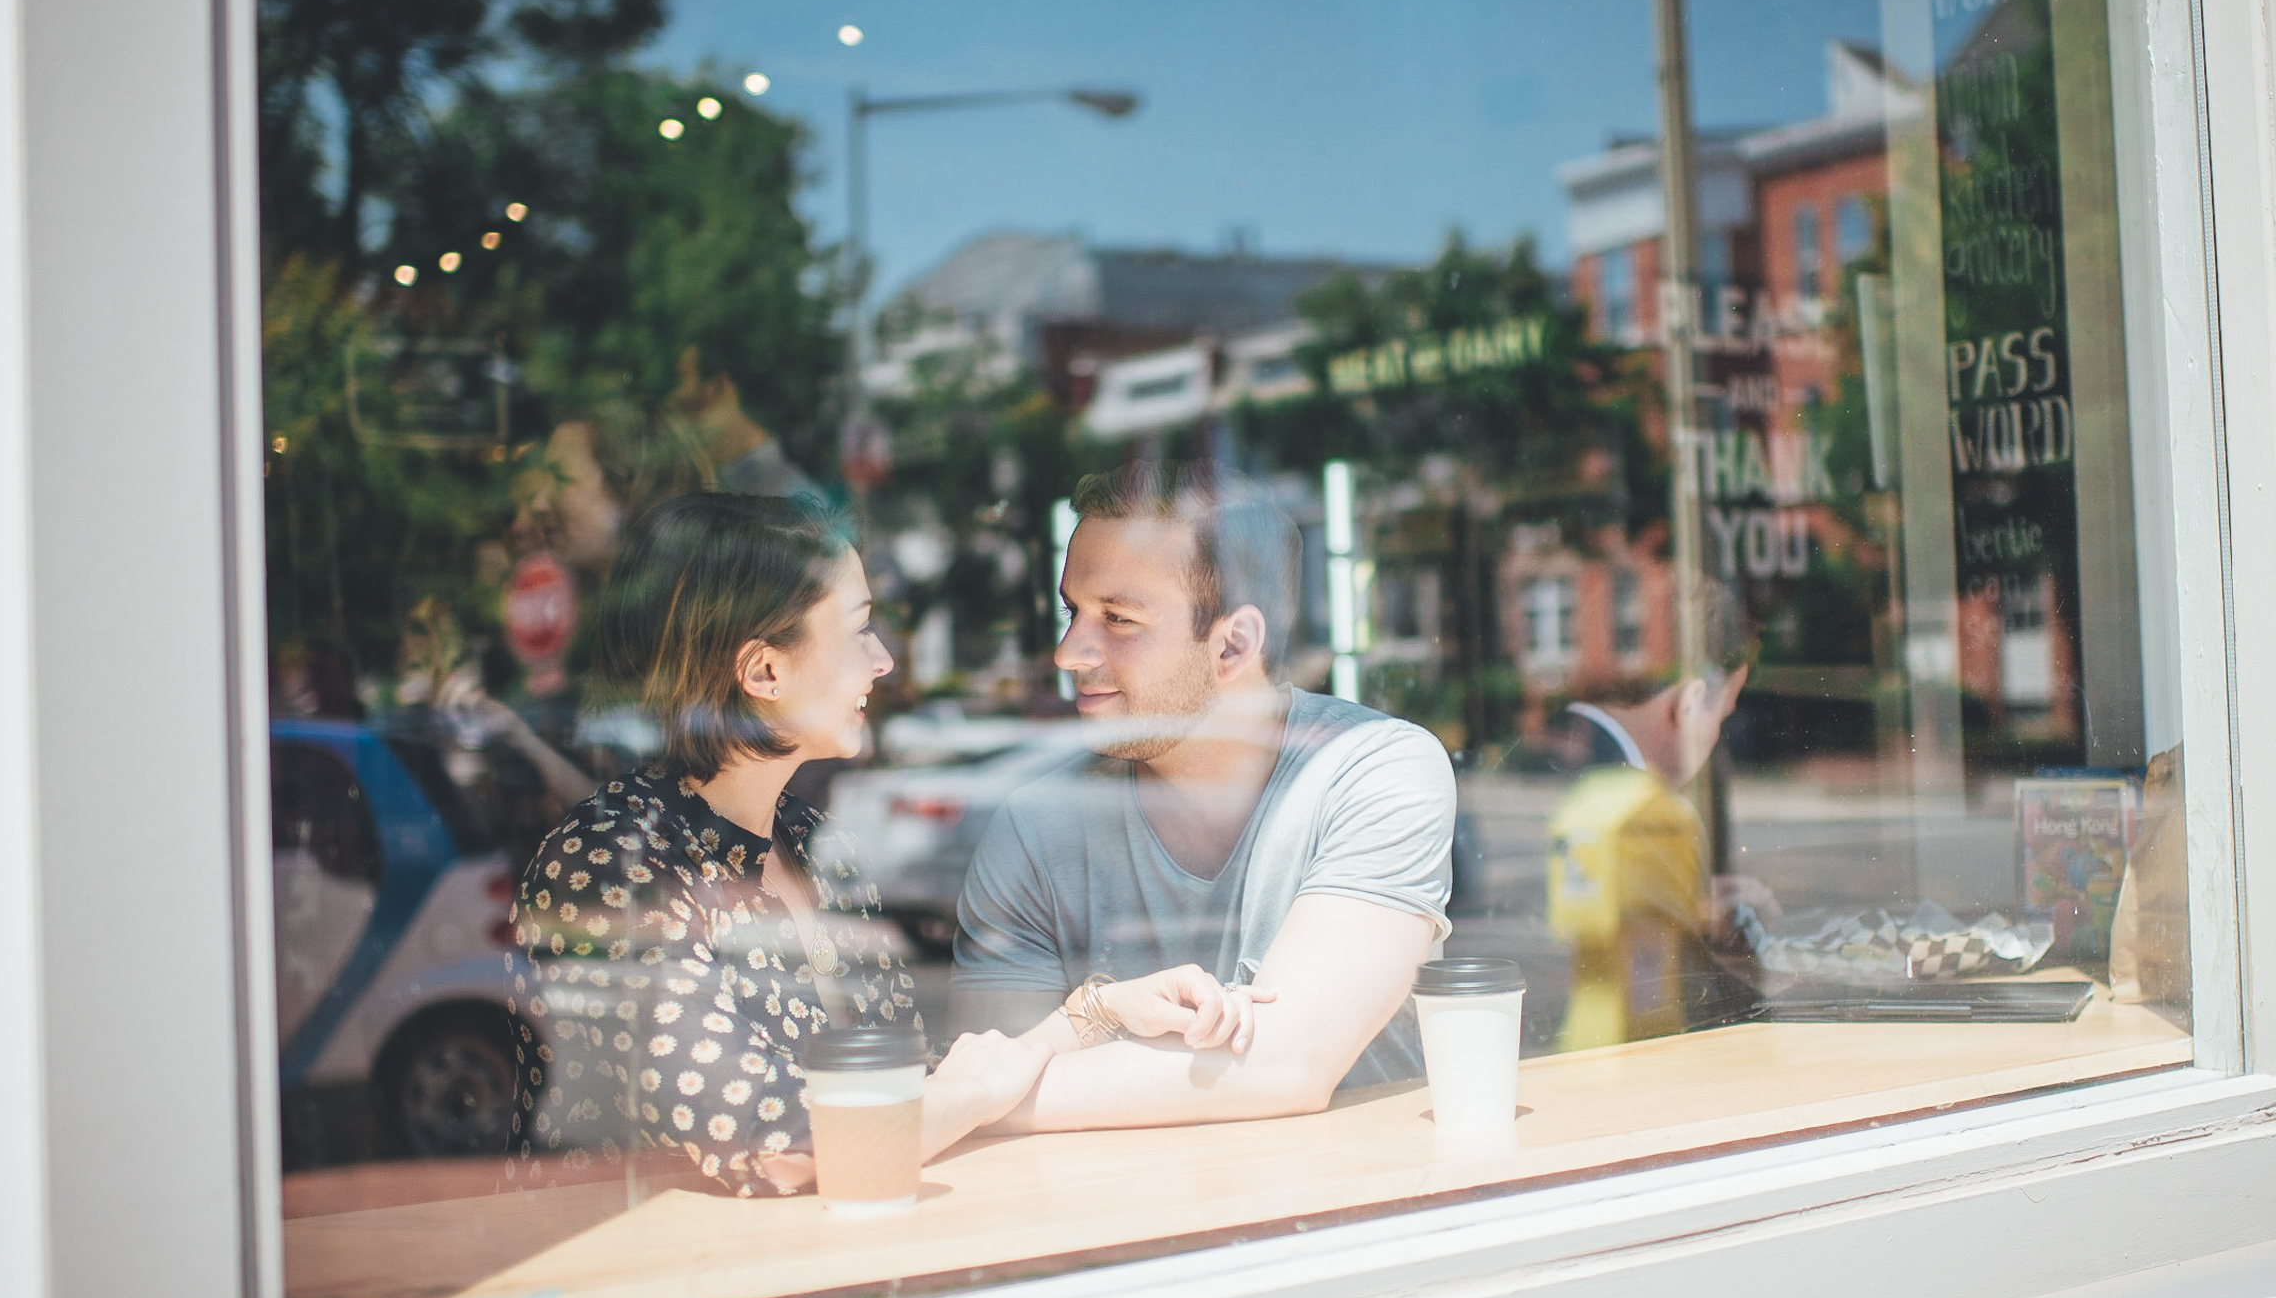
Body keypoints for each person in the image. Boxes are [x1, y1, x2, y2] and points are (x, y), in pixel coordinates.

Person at [510, 493, 1048, 1194]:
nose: (882, 661)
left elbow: (903, 1077)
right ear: (763, 671)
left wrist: (1095, 1014)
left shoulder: (813, 842)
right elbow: (787, 1145)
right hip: (646, 1287)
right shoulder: (609, 864)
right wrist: (978, 1094)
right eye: (859, 631)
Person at [951, 461, 1459, 1129]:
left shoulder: (1373, 770)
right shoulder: (1035, 828)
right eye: (1074, 611)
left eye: (1120, 619)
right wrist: (978, 1092)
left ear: (1233, 645)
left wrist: (965, 1103)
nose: (1069, 652)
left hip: (1357, 1215)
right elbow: (982, 1070)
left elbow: (1289, 1065)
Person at [1539, 604, 1754, 1049]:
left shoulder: (1572, 760)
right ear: (1688, 703)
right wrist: (1708, 920)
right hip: (1628, 1044)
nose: (1717, 740)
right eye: (1723, 717)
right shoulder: (1640, 806)